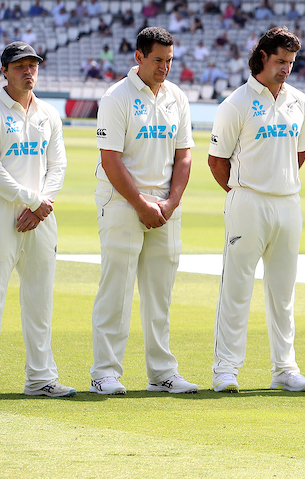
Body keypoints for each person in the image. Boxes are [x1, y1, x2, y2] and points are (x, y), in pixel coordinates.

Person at [89, 26, 196, 396]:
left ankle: (162, 373)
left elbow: (184, 155)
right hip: (122, 202)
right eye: (157, 60)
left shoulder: (176, 97)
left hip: (164, 206)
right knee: (115, 290)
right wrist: (140, 204)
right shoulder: (116, 97)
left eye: (169, 60)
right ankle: (104, 372)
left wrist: (170, 202)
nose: (164, 67)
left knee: (159, 293)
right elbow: (111, 160)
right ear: (139, 57)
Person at [208, 27, 305, 393]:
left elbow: (299, 153)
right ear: (263, 57)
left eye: (291, 62)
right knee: (236, 289)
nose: (286, 68)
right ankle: (225, 370)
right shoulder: (236, 103)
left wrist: (277, 182)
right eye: (281, 61)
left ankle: (285, 368)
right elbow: (217, 161)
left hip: (288, 202)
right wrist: (245, 189)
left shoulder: (299, 101)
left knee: (283, 292)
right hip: (248, 202)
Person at [0, 42, 74, 399]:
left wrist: (42, 205)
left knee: (40, 299)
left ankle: (40, 377)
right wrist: (33, 200)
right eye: (20, 66)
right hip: (1, 210)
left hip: (41, 216)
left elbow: (58, 166)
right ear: (5, 71)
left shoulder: (48, 114)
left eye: (33, 65)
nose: (29, 71)